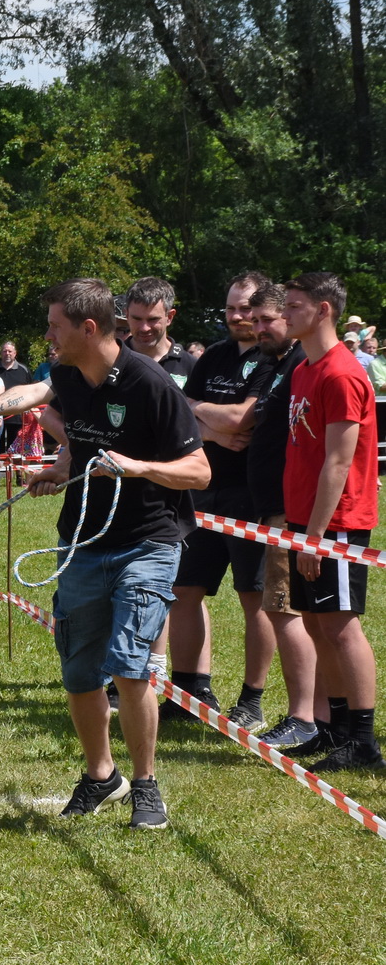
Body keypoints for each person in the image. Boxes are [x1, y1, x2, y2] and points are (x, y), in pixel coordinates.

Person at [0, 278, 208, 830]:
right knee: (79, 671)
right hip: (83, 542)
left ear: (88, 328)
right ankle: (101, 776)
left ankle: (147, 786)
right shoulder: (65, 373)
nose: (47, 337)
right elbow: (36, 398)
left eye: (55, 327)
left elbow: (200, 471)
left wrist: (137, 467)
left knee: (130, 670)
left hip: (149, 542)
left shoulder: (151, 383)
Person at [165, 271, 278, 729]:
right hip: (200, 491)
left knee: (254, 596)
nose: (238, 316)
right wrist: (213, 426)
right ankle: (189, 689)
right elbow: (183, 412)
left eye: (247, 308)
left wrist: (209, 417)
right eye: (231, 308)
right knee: (184, 591)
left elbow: (242, 418)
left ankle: (251, 698)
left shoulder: (274, 359)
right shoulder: (212, 356)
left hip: (250, 495)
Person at [277, 272, 380, 770]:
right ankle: (333, 729)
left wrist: (315, 538)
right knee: (318, 624)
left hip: (335, 522)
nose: (284, 314)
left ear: (322, 310)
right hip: (305, 518)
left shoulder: (341, 373)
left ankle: (363, 740)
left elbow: (339, 462)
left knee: (341, 627)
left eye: (293, 306)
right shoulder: (304, 369)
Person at [241, 284, 323, 750]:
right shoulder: (275, 365)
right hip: (269, 505)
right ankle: (317, 717)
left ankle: (303, 717)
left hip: (286, 509)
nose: (259, 328)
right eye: (255, 321)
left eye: (268, 319)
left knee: (284, 609)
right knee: (290, 611)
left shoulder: (299, 365)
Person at [122, 277, 194, 387]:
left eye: (152, 319)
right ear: (126, 315)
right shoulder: (110, 361)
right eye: (137, 319)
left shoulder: (191, 366)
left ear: (169, 317)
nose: (144, 328)